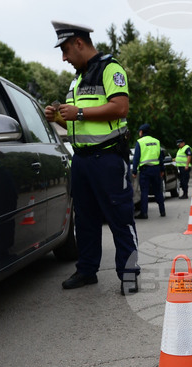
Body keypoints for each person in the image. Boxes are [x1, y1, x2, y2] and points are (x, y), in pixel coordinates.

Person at [45, 21, 140, 295]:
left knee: (120, 218)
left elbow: (120, 108)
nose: (63, 57)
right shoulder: (76, 79)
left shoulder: (111, 69)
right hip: (83, 160)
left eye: (65, 49)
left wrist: (80, 113)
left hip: (108, 158)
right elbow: (77, 125)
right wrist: (59, 119)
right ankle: (87, 270)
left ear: (78, 43)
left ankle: (130, 274)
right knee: (84, 219)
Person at [131, 123, 165, 219]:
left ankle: (144, 213)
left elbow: (136, 157)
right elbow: (160, 157)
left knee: (144, 191)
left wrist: (134, 171)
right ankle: (162, 211)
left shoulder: (140, 142)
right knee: (158, 190)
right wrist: (162, 169)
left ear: (141, 132)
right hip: (156, 169)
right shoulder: (156, 141)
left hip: (145, 170)